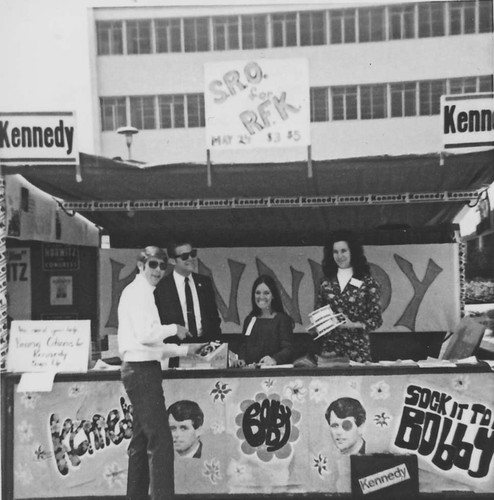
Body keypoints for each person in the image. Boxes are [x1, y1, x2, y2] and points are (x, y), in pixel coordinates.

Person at [118, 246, 201, 500]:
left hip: (142, 369)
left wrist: (185, 349)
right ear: (141, 265)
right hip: (142, 371)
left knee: (142, 442)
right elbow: (146, 336)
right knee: (161, 442)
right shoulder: (139, 293)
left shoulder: (140, 292)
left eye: (162, 266)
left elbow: (151, 344)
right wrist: (173, 328)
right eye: (153, 264)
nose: (158, 270)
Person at [315, 229, 382, 363]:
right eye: (335, 252)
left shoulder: (368, 282)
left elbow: (376, 320)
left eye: (344, 251)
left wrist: (354, 325)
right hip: (331, 350)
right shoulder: (325, 282)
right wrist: (317, 324)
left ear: (353, 252)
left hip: (357, 351)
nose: (340, 256)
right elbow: (319, 311)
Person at [154, 240, 221, 341]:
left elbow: (214, 319)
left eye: (193, 254)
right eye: (185, 256)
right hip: (175, 349)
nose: (191, 259)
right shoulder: (162, 288)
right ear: (172, 261)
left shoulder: (205, 282)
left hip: (204, 347)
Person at [233, 274, 295, 367]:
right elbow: (243, 345)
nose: (261, 297)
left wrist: (275, 359)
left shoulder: (282, 319)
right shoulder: (249, 319)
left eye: (266, 293)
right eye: (257, 293)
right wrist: (241, 359)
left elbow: (288, 349)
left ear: (273, 295)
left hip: (273, 373)